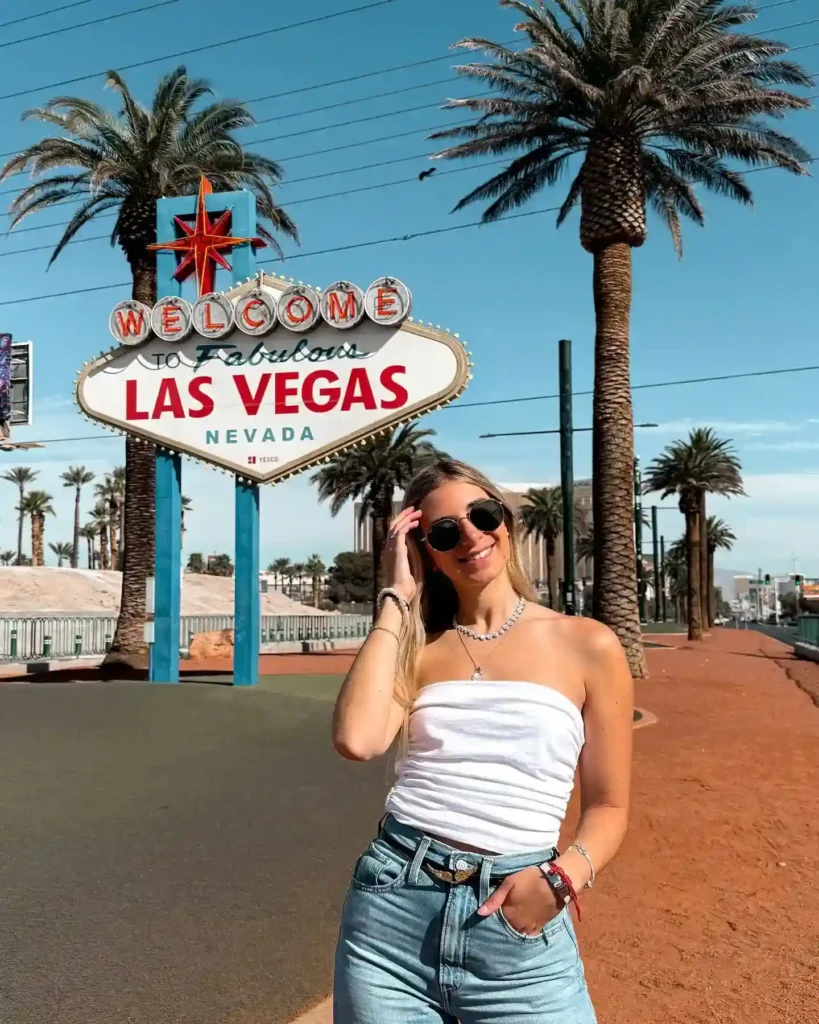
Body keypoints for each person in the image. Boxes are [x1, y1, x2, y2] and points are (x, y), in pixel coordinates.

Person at [332, 459, 633, 1023]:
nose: (470, 535)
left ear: (506, 521)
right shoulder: (418, 648)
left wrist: (564, 878)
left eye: (481, 514)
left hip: (517, 923)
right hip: (392, 913)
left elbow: (610, 806)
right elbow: (358, 739)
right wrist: (398, 596)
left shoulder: (587, 644)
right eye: (444, 532)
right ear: (427, 551)